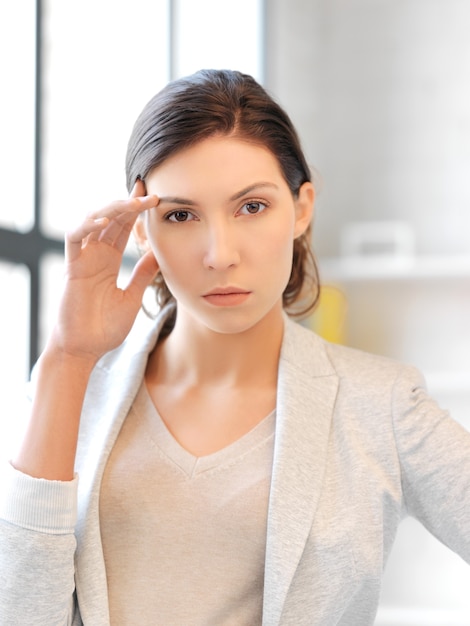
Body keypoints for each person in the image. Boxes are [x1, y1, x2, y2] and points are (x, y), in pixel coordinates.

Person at [0, 69, 469, 626]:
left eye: (251, 207)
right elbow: (20, 611)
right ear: (143, 229)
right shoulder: (71, 389)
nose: (219, 254)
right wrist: (67, 357)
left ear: (301, 208)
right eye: (180, 215)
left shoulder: (383, 406)